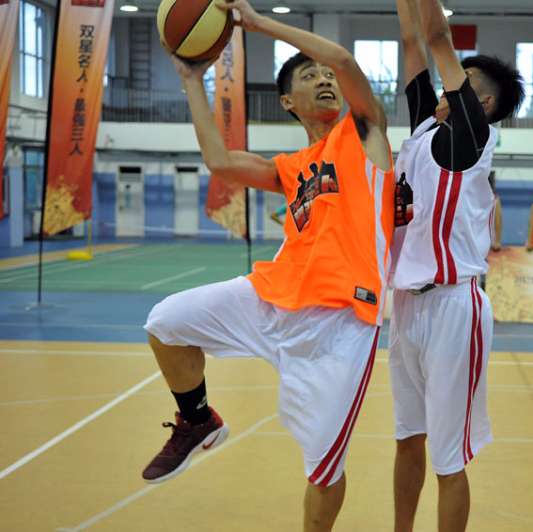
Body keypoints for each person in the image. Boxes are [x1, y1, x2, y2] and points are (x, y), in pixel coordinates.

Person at [141, 1, 395, 530]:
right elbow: (219, 161)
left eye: (326, 75)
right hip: (271, 296)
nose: (325, 79)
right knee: (165, 322)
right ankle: (197, 420)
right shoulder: (290, 168)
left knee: (323, 469)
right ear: (287, 101)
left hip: (341, 321)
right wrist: (191, 79)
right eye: (309, 75)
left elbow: (345, 61)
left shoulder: (364, 136)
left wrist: (258, 24)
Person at [389, 1, 524, 531]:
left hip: (453, 305)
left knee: (448, 457)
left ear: (480, 101)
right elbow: (412, 42)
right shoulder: (426, 129)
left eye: (459, 83)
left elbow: (436, 38)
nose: (447, 88)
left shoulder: (473, 136)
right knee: (407, 439)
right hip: (406, 303)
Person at [490, 171, 503, 252]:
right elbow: (498, 221)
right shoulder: (495, 200)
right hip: (489, 241)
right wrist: (497, 241)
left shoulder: (495, 200)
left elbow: (498, 221)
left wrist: (497, 241)